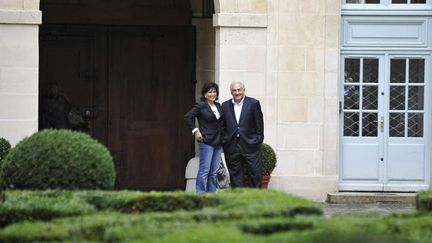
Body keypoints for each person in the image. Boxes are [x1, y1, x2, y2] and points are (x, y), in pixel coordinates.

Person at [222, 81, 264, 188]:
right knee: (235, 177)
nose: (237, 93)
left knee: (255, 175)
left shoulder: (253, 103)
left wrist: (258, 140)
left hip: (251, 145)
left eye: (239, 90)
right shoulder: (225, 105)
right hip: (232, 147)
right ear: (231, 92)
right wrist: (225, 140)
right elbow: (223, 126)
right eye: (234, 90)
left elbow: (259, 124)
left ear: (244, 90)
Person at [184, 82, 224, 194]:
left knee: (214, 172)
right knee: (204, 171)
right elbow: (188, 117)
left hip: (218, 141)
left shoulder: (219, 106)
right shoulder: (201, 105)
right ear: (204, 94)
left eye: (214, 91)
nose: (212, 94)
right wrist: (195, 131)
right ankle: (200, 195)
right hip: (206, 141)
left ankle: (211, 196)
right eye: (209, 92)